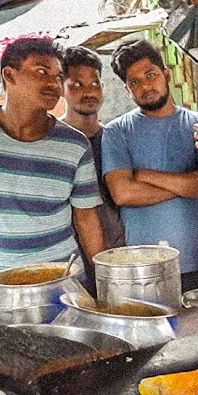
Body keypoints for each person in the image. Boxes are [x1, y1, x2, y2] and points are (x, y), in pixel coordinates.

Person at [0, 37, 106, 271]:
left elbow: (86, 220)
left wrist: (103, 282)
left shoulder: (75, 145)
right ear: (9, 75)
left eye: (58, 77)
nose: (54, 84)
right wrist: (1, 237)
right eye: (42, 72)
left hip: (59, 279)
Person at [102, 39, 198, 290]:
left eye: (150, 75)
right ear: (127, 90)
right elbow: (123, 193)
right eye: (134, 82)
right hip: (143, 270)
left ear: (166, 74)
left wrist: (146, 175)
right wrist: (186, 184)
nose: (145, 86)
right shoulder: (117, 132)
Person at [61, 45, 125, 250]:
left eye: (95, 83)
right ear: (61, 88)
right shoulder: (53, 142)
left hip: (119, 253)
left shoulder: (115, 139)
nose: (88, 92)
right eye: (77, 84)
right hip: (71, 259)